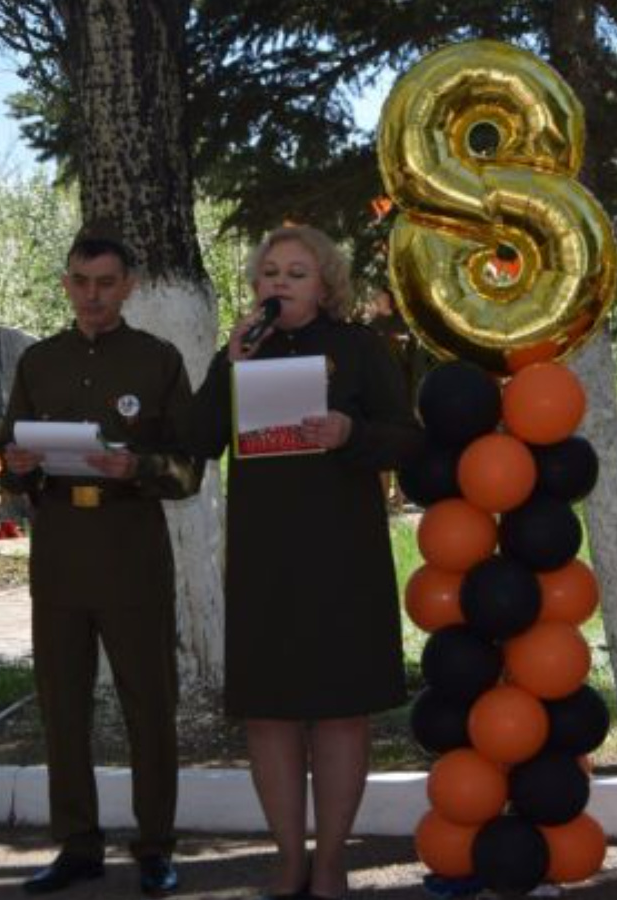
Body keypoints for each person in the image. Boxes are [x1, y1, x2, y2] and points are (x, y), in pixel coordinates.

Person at [186, 225, 423, 900]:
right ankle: (289, 859)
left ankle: (331, 861)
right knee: (270, 713)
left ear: (325, 285)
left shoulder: (359, 347)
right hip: (264, 557)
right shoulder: (242, 349)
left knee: (342, 711)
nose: (279, 284)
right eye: (270, 273)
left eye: (296, 273)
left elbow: (408, 441)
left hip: (342, 554)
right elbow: (196, 438)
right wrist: (228, 365)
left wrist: (351, 432)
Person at [0, 221, 201, 897]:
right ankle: (77, 845)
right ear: (66, 284)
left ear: (128, 286)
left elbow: (189, 468)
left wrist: (136, 465)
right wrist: (17, 464)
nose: (92, 296)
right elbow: (10, 456)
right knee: (62, 708)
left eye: (106, 284)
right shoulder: (39, 362)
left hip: (131, 549)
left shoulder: (157, 360)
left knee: (150, 706)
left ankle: (156, 847)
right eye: (81, 283)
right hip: (60, 553)